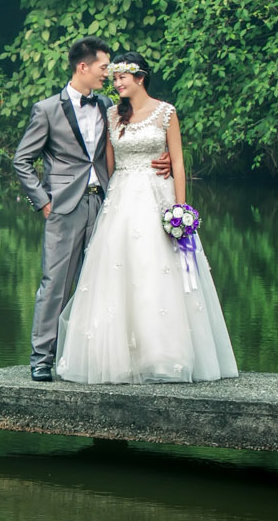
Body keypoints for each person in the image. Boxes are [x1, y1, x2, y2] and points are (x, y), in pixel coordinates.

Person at [55, 51, 238, 384]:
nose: (117, 83)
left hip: (159, 197)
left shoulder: (166, 113)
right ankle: (119, 357)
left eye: (122, 77)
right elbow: (108, 165)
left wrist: (180, 209)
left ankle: (164, 356)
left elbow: (178, 163)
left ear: (140, 77)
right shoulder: (112, 115)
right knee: (121, 272)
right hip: (123, 199)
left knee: (159, 272)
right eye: (114, 78)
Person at [13, 37, 171, 382]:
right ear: (82, 67)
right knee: (55, 283)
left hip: (106, 204)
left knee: (100, 285)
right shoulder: (47, 110)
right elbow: (21, 161)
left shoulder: (108, 107)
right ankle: (41, 358)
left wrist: (167, 157)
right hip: (63, 207)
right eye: (104, 68)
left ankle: (87, 356)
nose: (109, 75)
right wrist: (42, 202)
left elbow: (135, 137)